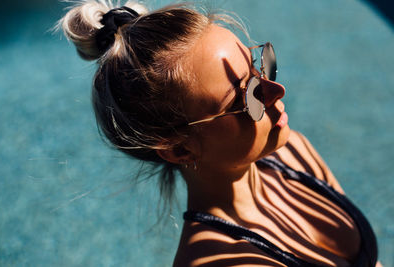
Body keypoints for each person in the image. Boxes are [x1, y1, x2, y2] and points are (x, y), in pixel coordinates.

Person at [60, 1, 380, 266]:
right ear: (179, 150)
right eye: (249, 95)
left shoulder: (293, 152)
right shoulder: (216, 260)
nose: (276, 90)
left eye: (259, 67)